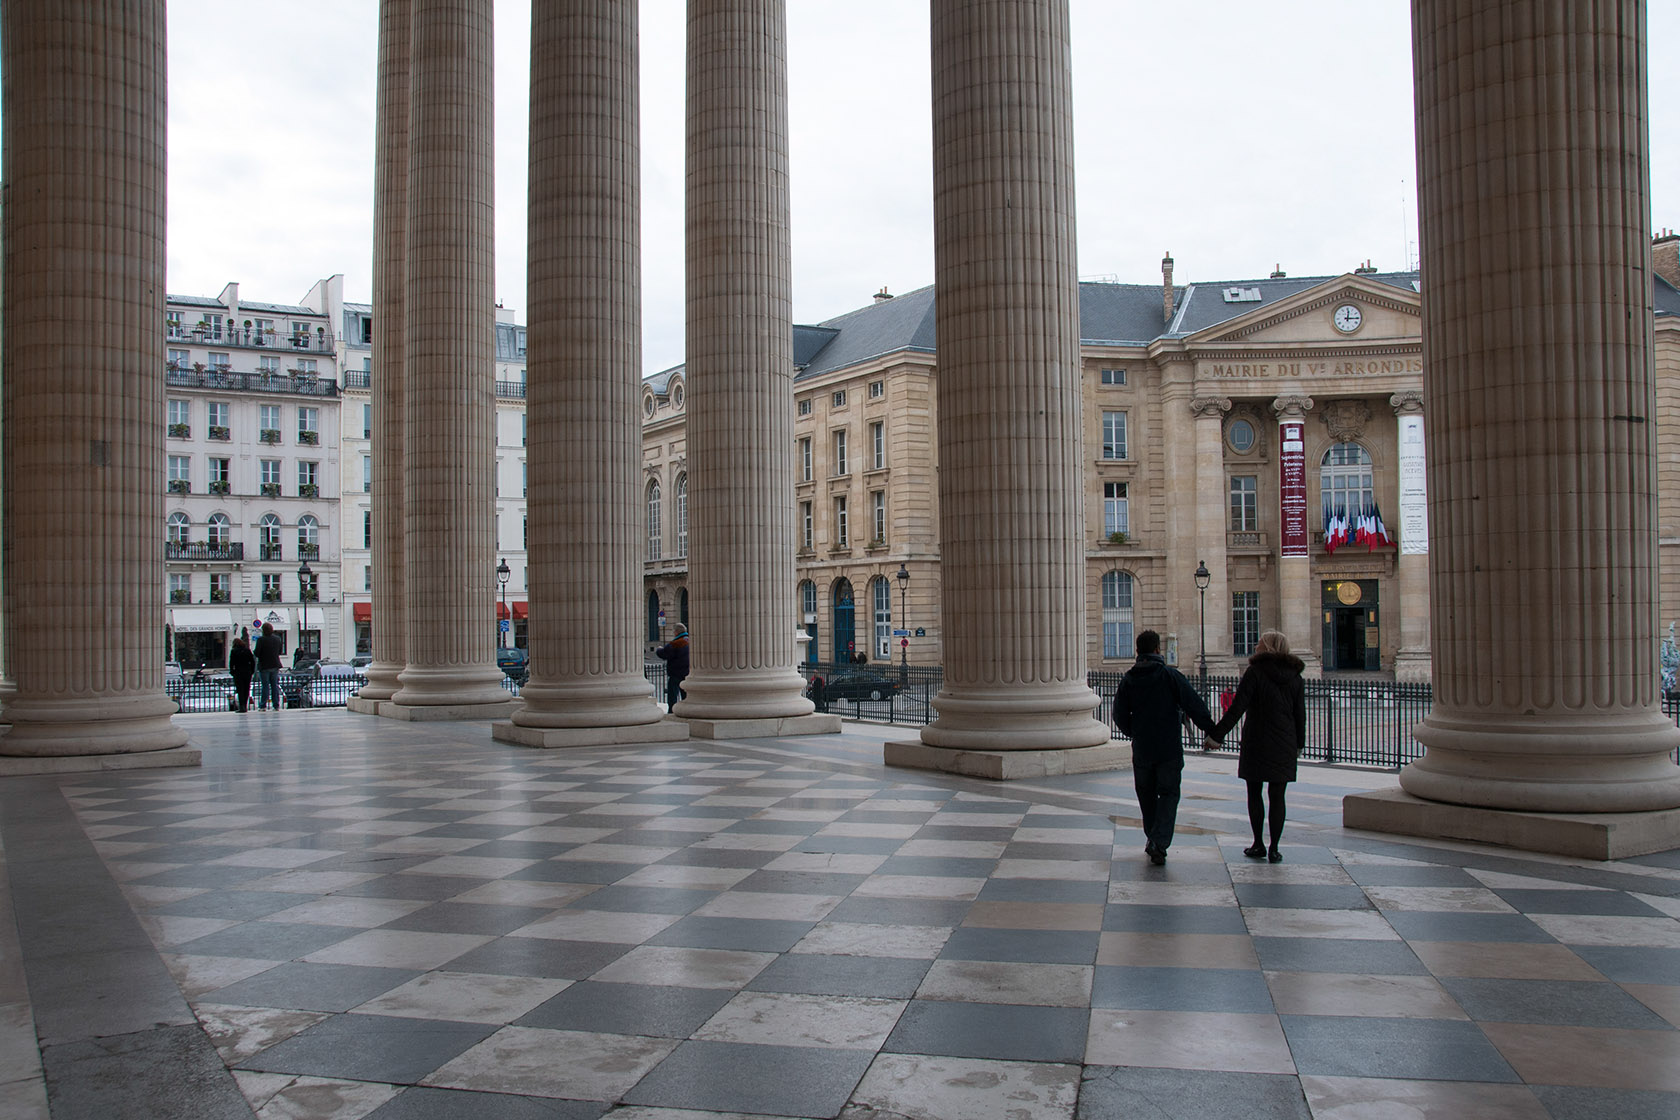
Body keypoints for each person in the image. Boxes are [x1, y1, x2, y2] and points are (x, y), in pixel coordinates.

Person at [1113, 629, 1217, 865]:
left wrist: (1135, 732)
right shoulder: (1170, 676)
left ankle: (1153, 838)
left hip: (1143, 749)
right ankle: (1159, 841)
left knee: (1146, 795)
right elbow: (1194, 705)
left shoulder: (1129, 680)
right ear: (1158, 649)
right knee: (1169, 794)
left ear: (1138, 651)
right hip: (1169, 748)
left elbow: (1118, 714)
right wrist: (1212, 730)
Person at [1210, 629, 1306, 863]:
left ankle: (1258, 843)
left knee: (1254, 794)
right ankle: (1275, 848)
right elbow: (1300, 715)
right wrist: (1299, 744)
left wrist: (1217, 735)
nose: (1255, 647)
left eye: (1260, 644)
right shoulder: (1295, 676)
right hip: (1284, 742)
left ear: (1269, 648)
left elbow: (1237, 707)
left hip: (1257, 740)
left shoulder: (1255, 673)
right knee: (1278, 796)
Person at [656, 625, 689, 710]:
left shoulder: (676, 643)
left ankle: (672, 711)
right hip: (687, 673)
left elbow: (664, 653)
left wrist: (658, 649)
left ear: (676, 632)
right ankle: (686, 710)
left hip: (676, 673)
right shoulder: (690, 641)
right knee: (685, 695)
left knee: (673, 695)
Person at [254, 622, 284, 711]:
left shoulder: (261, 640)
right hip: (275, 664)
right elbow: (280, 651)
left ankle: (263, 705)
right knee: (274, 685)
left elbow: (257, 653)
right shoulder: (277, 639)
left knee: (265, 686)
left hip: (264, 665)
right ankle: (276, 705)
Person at [228, 637, 256, 713]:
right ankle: (245, 705)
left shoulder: (234, 651)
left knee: (240, 690)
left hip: (238, 672)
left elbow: (232, 662)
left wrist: (232, 671)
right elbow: (252, 661)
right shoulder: (247, 650)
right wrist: (252, 670)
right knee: (246, 689)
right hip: (247, 672)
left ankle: (242, 706)